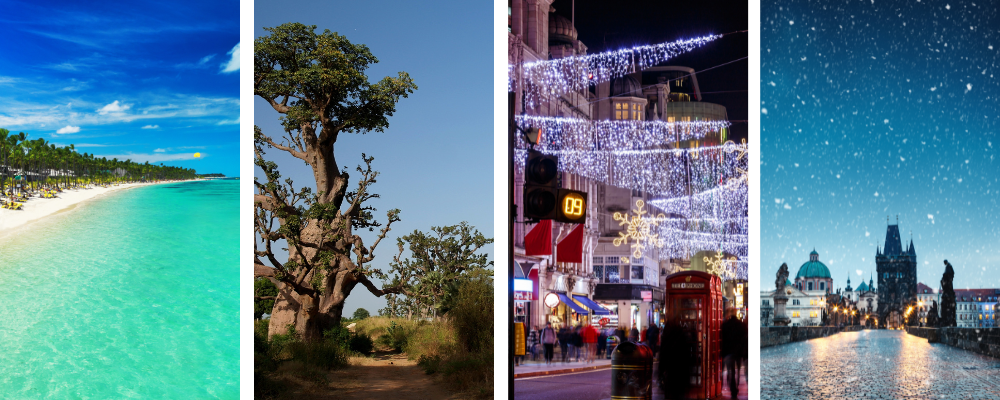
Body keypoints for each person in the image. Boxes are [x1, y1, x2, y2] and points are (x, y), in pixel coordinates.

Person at [658, 317, 694, 400]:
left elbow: (662, 356)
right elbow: (687, 355)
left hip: (670, 372)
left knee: (670, 395)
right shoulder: (681, 335)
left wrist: (660, 373)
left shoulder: (666, 337)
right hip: (681, 372)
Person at [720, 309, 745, 400]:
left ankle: (733, 389)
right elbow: (744, 338)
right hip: (738, 352)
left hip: (728, 351)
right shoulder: (740, 324)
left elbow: (722, 338)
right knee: (737, 370)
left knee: (731, 371)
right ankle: (736, 385)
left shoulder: (725, 325)